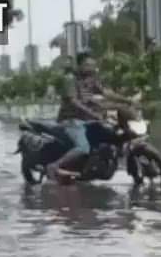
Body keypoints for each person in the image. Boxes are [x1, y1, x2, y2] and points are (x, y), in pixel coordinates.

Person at [52, 52, 131, 183]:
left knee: (113, 135)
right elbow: (74, 102)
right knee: (83, 148)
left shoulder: (92, 79)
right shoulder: (70, 79)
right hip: (71, 120)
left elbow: (106, 93)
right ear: (79, 65)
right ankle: (55, 166)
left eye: (93, 65)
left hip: (88, 120)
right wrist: (94, 114)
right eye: (87, 65)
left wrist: (127, 101)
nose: (91, 68)